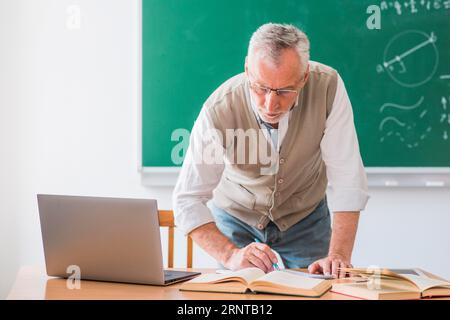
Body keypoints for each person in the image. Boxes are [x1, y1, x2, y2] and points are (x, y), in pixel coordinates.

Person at [173, 23, 369, 278]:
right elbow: (187, 199)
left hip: (306, 219)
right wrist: (230, 254)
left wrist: (339, 255)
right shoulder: (219, 109)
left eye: (285, 91)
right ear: (247, 70)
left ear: (305, 76)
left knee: (315, 293)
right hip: (237, 219)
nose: (270, 104)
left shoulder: (328, 88)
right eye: (260, 87)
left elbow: (347, 178)